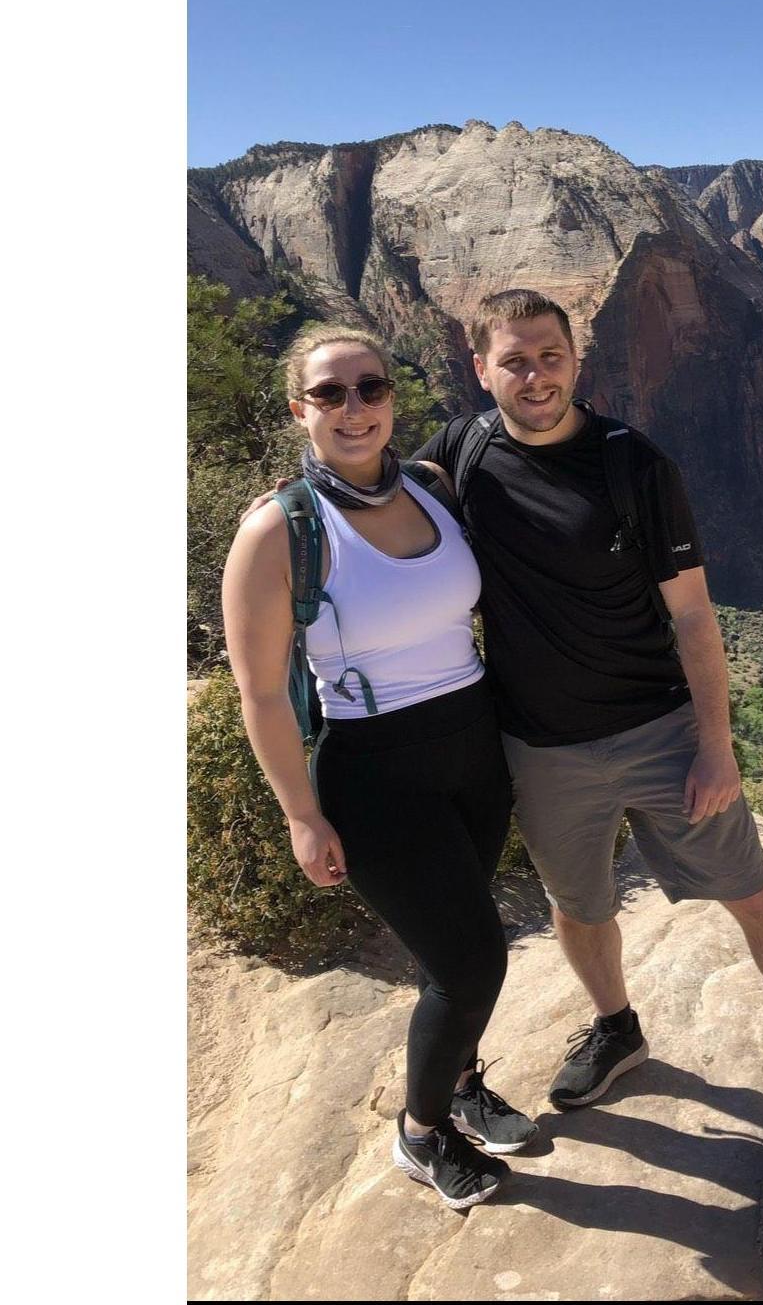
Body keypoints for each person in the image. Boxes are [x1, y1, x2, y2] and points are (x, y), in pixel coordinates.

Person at [413, 289, 763, 1145]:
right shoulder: (462, 447)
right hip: (541, 746)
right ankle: (617, 1027)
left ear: (577, 361)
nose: (535, 376)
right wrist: (313, 491)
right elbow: (388, 496)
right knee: (579, 903)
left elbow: (695, 616)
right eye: (515, 359)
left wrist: (717, 746)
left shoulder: (633, 463)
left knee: (753, 892)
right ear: (480, 366)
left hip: (660, 732)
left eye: (550, 357)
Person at [221, 324, 537, 1211]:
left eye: (370, 388)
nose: (353, 407)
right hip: (374, 768)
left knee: (467, 929)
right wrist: (300, 813)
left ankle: (463, 1079)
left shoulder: (432, 488)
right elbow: (260, 695)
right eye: (330, 393)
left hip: (472, 747)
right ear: (300, 409)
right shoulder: (277, 532)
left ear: (393, 398)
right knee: (468, 964)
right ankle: (422, 1131)